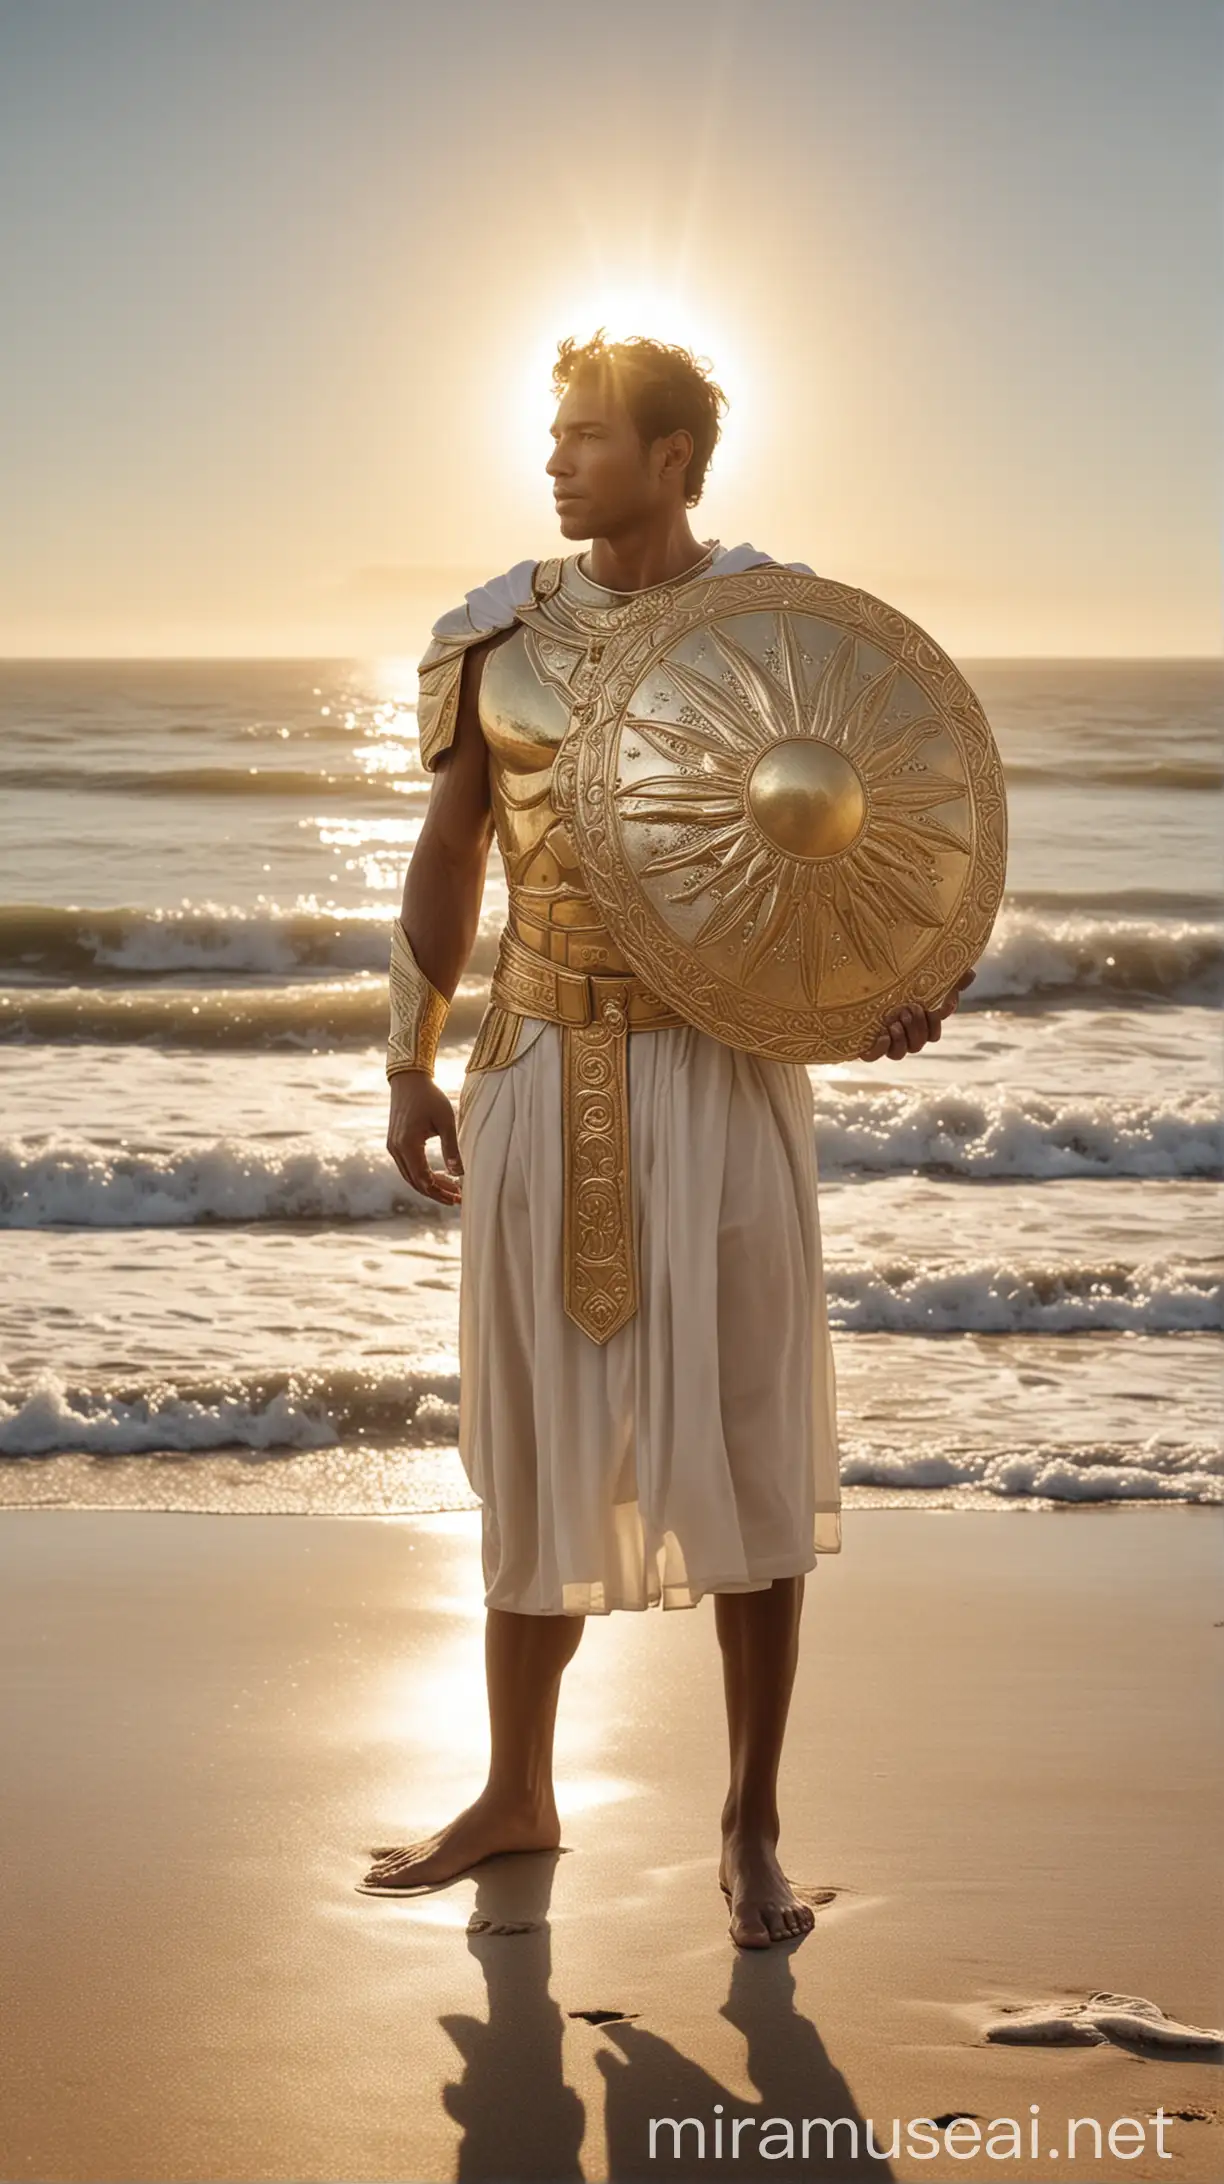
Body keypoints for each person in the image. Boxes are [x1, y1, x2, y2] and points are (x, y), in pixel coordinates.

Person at [364, 334, 970, 1947]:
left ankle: (750, 1824)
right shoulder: (493, 636)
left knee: (755, 1435)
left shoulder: (779, 631)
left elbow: (896, 835)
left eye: (587, 439)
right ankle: (516, 1790)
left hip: (723, 1076)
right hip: (536, 1067)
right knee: (535, 1442)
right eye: (552, 435)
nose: (555, 464)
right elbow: (450, 852)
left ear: (678, 456)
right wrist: (407, 1064)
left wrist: (902, 989)